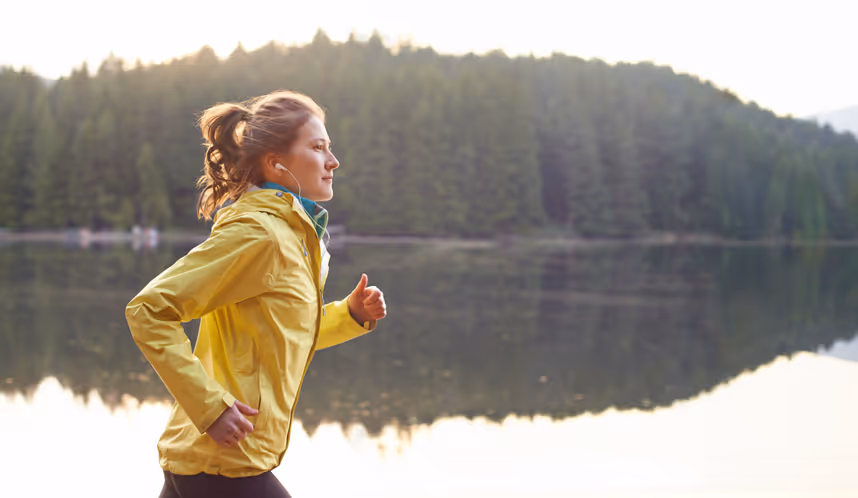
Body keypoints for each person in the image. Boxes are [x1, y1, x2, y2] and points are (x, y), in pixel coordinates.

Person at [125, 90, 387, 498]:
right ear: (275, 163)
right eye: (318, 148)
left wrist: (349, 315)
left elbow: (280, 338)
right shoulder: (259, 233)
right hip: (225, 466)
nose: (333, 162)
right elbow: (148, 310)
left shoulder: (293, 238)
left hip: (210, 462)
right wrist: (210, 409)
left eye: (330, 148)